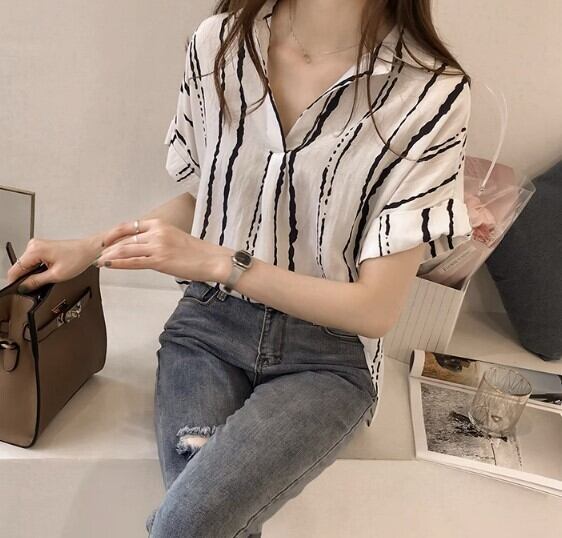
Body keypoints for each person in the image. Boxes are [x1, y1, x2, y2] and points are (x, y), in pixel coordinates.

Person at [5, 0, 474, 535]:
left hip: (326, 357)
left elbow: (375, 309)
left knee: (186, 526)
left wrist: (220, 262)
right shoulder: (219, 46)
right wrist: (91, 247)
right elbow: (207, 200)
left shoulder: (431, 93)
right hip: (206, 332)